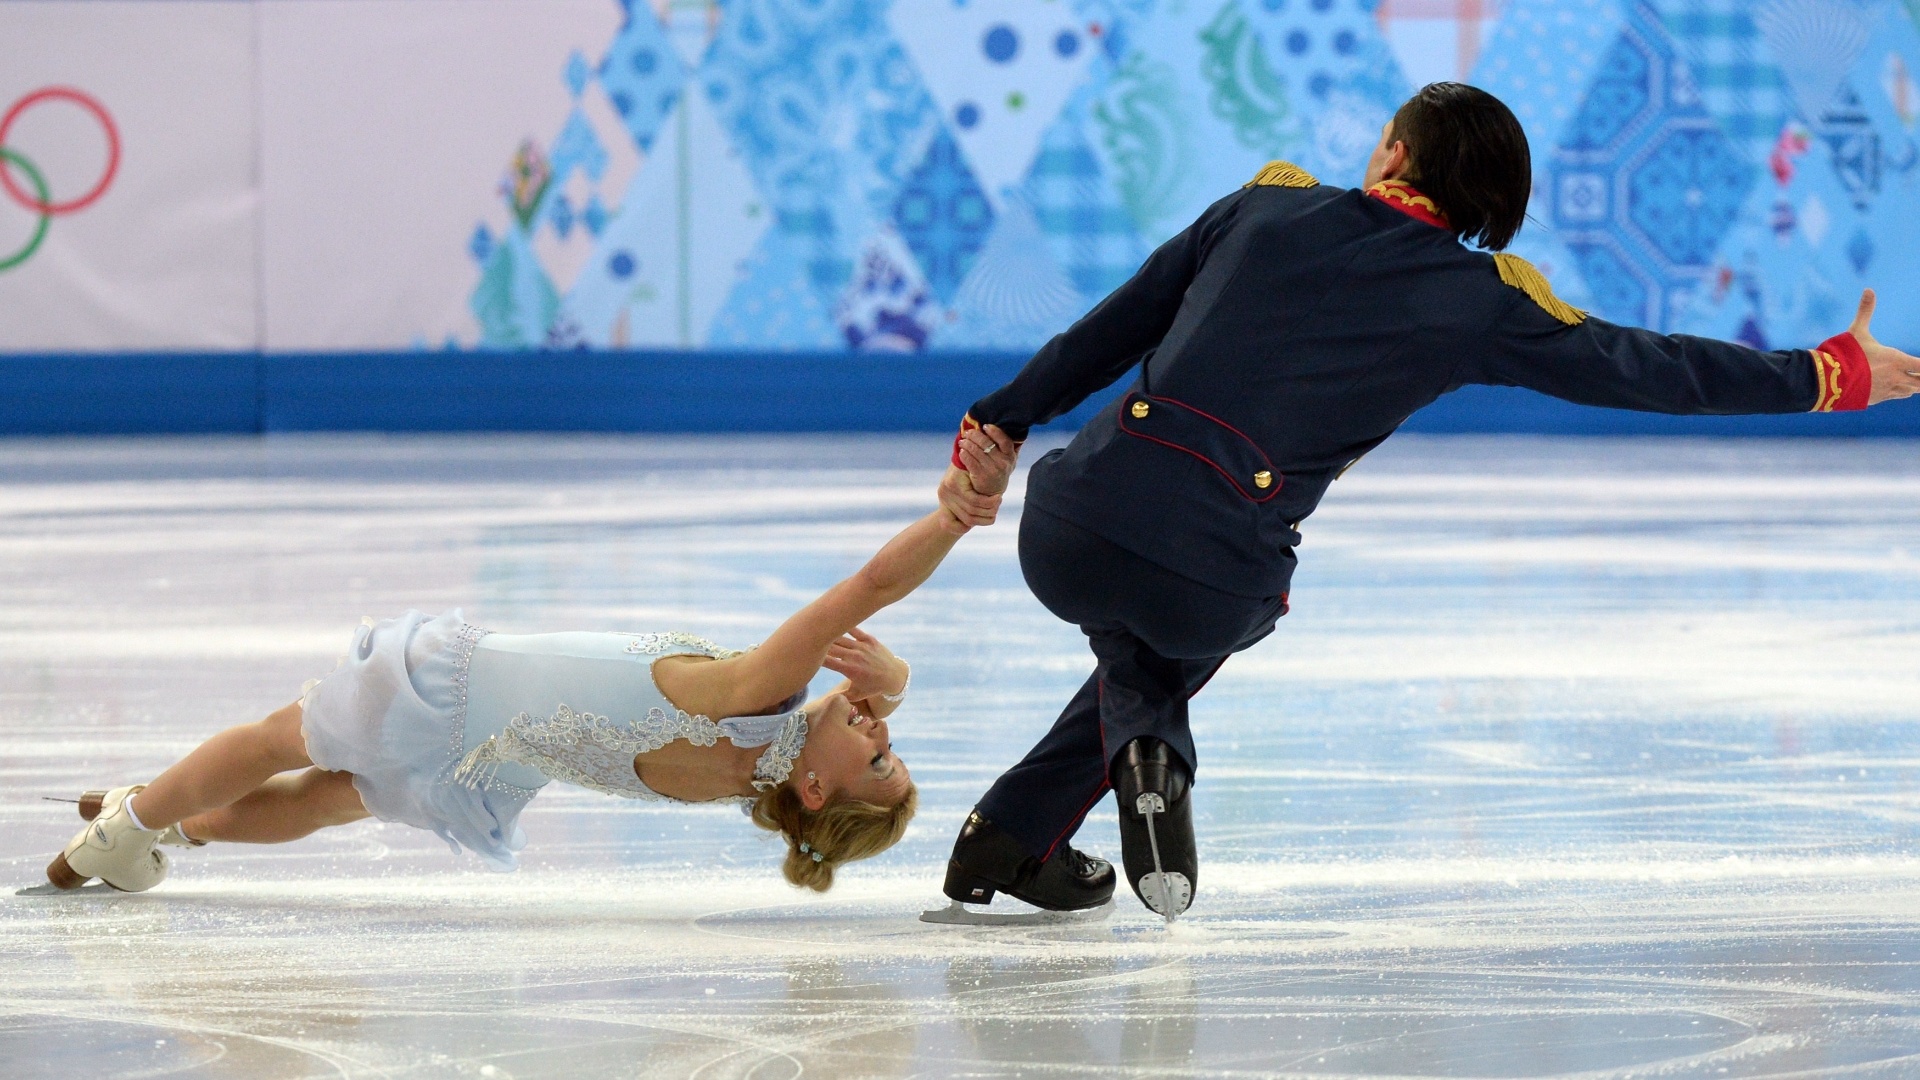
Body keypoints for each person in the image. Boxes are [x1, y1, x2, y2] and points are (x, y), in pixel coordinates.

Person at [934, 82, 1920, 920]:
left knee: (1138, 616)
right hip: (1215, 574)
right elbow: (1651, 366)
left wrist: (1000, 422)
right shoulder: (1482, 299)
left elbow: (1114, 325)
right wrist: (1824, 375)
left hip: (1069, 524)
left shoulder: (1261, 207)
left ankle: (1010, 839)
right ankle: (1142, 757)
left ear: (1395, 152)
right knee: (1177, 618)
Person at [45, 435, 1017, 894]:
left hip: (457, 690)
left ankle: (133, 822)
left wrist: (952, 517)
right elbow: (854, 705)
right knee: (322, 800)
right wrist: (891, 691)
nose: (885, 737)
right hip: (485, 767)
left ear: (813, 786)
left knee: (275, 743)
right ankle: (169, 819)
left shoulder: (759, 695)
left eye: (881, 759)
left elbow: (869, 591)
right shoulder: (756, 773)